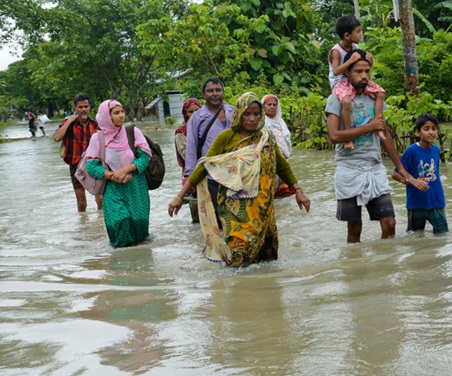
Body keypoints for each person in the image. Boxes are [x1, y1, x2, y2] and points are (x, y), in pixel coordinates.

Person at [168, 93, 311, 267]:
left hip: (263, 208)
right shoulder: (226, 138)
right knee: (240, 258)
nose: (252, 119)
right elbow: (204, 166)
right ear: (238, 114)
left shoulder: (266, 138)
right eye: (247, 114)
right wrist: (179, 197)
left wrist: (298, 191)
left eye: (256, 114)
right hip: (234, 209)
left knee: (266, 260)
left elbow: (282, 166)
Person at [325, 50, 413, 243]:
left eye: (367, 71)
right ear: (347, 72)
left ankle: (385, 269)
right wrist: (368, 127)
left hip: (374, 167)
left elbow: (384, 133)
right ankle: (357, 270)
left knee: (389, 223)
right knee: (354, 229)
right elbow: (334, 136)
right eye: (358, 71)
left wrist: (401, 168)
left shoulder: (374, 97)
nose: (364, 76)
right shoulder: (336, 99)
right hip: (348, 169)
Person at [86, 100, 152, 248]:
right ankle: (120, 267)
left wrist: (125, 170)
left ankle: (140, 266)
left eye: (122, 111)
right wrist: (112, 176)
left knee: (139, 225)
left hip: (136, 185)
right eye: (116, 113)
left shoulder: (133, 132)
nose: (121, 116)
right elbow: (91, 166)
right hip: (113, 187)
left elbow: (145, 158)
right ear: (106, 116)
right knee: (119, 223)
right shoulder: (98, 138)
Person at [328, 16, 386, 149]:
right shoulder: (336, 51)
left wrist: (370, 60)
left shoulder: (355, 47)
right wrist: (349, 61)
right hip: (340, 82)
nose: (361, 35)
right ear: (347, 35)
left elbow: (361, 63)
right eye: (358, 31)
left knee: (380, 93)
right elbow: (336, 71)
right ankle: (348, 138)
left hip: (353, 80)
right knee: (347, 102)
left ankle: (378, 124)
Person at [184, 78, 235, 216]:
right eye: (210, 91)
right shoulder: (197, 117)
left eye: (218, 90)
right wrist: (190, 177)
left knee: (237, 217)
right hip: (211, 176)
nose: (215, 93)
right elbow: (191, 147)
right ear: (203, 94)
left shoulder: (234, 112)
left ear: (223, 92)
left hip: (236, 173)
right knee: (216, 218)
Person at [392, 114, 448, 234]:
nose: (431, 132)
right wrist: (411, 180)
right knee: (414, 237)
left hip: (436, 201)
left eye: (434, 128)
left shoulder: (436, 150)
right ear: (418, 132)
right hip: (416, 204)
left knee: (442, 235)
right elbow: (395, 174)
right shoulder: (411, 151)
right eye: (426, 129)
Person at [53, 93, 103, 212]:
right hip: (76, 166)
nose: (83, 110)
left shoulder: (96, 125)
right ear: (75, 108)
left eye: (86, 107)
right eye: (80, 107)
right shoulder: (68, 124)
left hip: (94, 164)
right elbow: (56, 138)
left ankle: (101, 223)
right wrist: (69, 121)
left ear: (90, 107)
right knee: (81, 203)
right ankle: (83, 223)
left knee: (100, 199)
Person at [174, 97, 202, 223]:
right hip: (192, 176)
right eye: (191, 112)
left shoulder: (210, 127)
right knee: (197, 218)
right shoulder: (181, 133)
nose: (195, 114)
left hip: (211, 172)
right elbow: (186, 154)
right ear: (185, 114)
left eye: (198, 110)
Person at [262, 94, 294, 199]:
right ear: (263, 106)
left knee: (283, 196)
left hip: (283, 161)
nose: (272, 107)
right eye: (269, 104)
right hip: (269, 161)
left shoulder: (280, 122)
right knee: (269, 192)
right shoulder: (261, 122)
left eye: (274, 105)